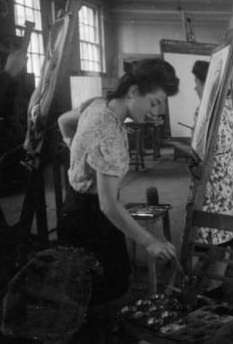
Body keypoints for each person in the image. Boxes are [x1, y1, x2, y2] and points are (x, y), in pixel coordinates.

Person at [57, 59, 179, 311]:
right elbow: (108, 204)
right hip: (90, 215)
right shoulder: (110, 135)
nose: (156, 113)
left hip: (71, 205)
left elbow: (63, 121)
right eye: (154, 103)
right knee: (111, 283)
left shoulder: (96, 104)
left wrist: (74, 147)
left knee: (79, 283)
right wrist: (149, 241)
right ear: (133, 91)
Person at [190, 60, 233, 246]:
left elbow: (200, 151)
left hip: (212, 179)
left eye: (196, 83)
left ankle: (211, 270)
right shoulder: (227, 110)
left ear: (207, 85)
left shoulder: (204, 112)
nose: (194, 88)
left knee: (207, 230)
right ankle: (218, 266)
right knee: (225, 228)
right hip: (228, 176)